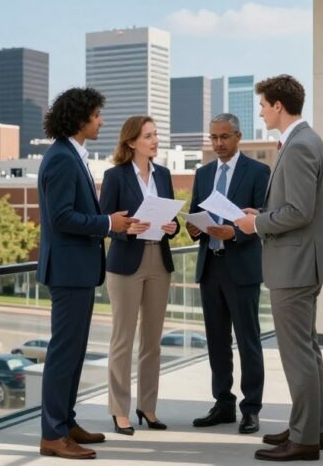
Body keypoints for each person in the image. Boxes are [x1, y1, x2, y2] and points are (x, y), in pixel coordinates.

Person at [234, 74, 323, 462]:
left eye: (262, 105)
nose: (260, 111)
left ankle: (305, 439)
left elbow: (299, 211)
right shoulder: (307, 141)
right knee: (308, 351)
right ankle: (310, 428)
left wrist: (255, 224)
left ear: (278, 105)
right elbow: (297, 207)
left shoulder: (298, 147)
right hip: (302, 261)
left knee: (298, 355)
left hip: (294, 265)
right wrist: (259, 214)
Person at [37, 87, 135, 460]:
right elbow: (61, 218)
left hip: (76, 270)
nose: (102, 120)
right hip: (68, 271)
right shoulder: (62, 158)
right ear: (81, 120)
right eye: (97, 115)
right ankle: (52, 434)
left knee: (74, 352)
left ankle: (65, 422)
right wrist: (110, 223)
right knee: (64, 353)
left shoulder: (71, 155)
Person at [188, 113, 269, 436]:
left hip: (242, 266)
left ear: (238, 137)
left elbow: (265, 218)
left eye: (224, 137)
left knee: (248, 342)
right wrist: (195, 228)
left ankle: (251, 409)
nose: (218, 144)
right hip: (210, 266)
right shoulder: (203, 173)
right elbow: (195, 212)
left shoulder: (259, 172)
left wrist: (234, 232)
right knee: (217, 341)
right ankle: (223, 403)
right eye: (214, 138)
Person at [99, 116, 179, 436]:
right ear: (132, 142)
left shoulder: (164, 174)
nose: (155, 140)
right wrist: (127, 228)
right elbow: (105, 223)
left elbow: (169, 219)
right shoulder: (115, 176)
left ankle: (148, 407)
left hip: (159, 259)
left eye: (156, 134)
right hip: (125, 264)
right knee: (123, 340)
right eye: (148, 136)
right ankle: (119, 410)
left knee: (152, 342)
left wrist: (172, 227)